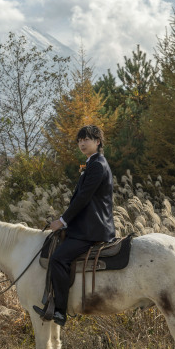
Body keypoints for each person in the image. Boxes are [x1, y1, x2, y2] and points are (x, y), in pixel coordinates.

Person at [33, 125, 115, 326]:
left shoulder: (97, 165)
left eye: (86, 139)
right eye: (79, 141)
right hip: (86, 226)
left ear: (97, 142)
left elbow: (83, 198)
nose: (82, 143)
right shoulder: (93, 163)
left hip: (92, 229)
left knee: (58, 259)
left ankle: (60, 311)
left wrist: (62, 221)